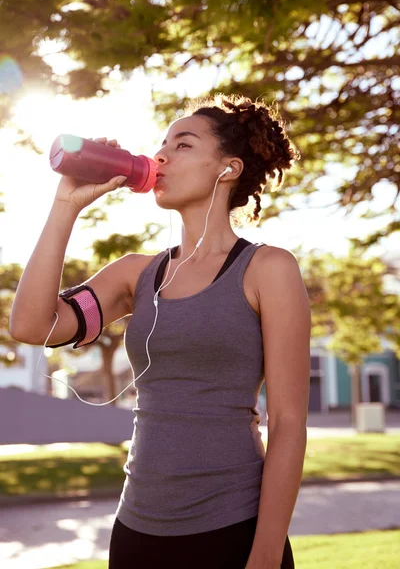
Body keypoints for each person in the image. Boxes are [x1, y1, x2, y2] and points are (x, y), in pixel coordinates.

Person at [10, 94, 311, 569]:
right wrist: (66, 205)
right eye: (162, 143)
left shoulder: (267, 268)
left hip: (232, 527)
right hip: (136, 531)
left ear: (227, 169)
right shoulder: (136, 275)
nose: (161, 155)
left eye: (183, 144)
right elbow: (31, 326)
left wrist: (267, 554)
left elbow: (290, 423)